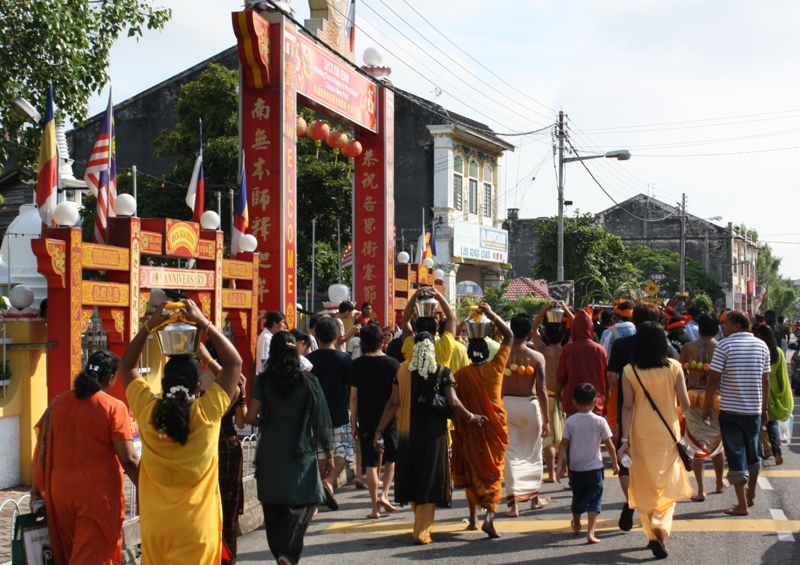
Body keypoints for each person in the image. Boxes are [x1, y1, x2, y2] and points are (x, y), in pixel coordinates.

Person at [121, 299, 242, 564]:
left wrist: (148, 327)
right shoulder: (206, 413)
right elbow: (235, 365)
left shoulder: (147, 411)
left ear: (162, 384)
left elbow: (127, 367)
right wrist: (205, 324)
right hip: (198, 528)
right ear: (198, 387)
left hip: (157, 529)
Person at [373, 332, 487, 545]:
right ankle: (421, 532)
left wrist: (379, 431)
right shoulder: (443, 372)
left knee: (414, 476)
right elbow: (453, 403)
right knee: (429, 478)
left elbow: (392, 403)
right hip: (434, 436)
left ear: (414, 349)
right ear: (433, 349)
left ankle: (421, 523)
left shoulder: (403, 372)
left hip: (408, 435)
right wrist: (471, 417)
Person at [30, 350, 139, 565]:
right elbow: (129, 459)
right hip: (97, 498)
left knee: (71, 554)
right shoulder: (114, 407)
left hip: (60, 493)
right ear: (110, 378)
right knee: (92, 558)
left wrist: (36, 491)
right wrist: (150, 486)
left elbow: (43, 449)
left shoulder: (59, 402)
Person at [245, 331, 334, 565]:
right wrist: (329, 455)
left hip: (270, 447)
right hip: (300, 448)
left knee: (272, 503)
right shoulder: (309, 381)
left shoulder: (264, 381)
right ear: (296, 352)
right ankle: (288, 553)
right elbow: (321, 420)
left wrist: (269, 422)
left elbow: (250, 417)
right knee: (308, 499)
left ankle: (280, 553)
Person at [618, 321, 693, 559]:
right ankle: (660, 525)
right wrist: (675, 413)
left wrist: (624, 439)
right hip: (667, 434)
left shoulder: (630, 370)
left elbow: (627, 406)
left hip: (639, 434)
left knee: (644, 484)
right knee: (666, 482)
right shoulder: (674, 366)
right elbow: (686, 403)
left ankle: (652, 534)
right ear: (663, 343)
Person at [450, 304, 512, 537]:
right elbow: (510, 336)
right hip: (494, 428)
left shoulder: (460, 375)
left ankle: (474, 519)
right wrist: (492, 313)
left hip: (469, 428)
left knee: (472, 468)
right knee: (493, 472)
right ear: (487, 353)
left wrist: (467, 320)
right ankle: (489, 517)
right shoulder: (496, 368)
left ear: (468, 353)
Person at [703, 310, 770, 516]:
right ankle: (751, 494)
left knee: (736, 456)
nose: (722, 327)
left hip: (731, 411)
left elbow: (713, 378)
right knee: (753, 453)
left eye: (726, 323)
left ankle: (741, 504)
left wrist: (706, 405)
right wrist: (764, 409)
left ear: (737, 326)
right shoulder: (762, 346)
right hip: (754, 411)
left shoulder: (725, 345)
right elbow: (765, 381)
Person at [201, 339, 249, 565]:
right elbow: (241, 422)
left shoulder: (198, 380)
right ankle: (226, 559)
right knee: (227, 508)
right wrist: (243, 394)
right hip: (227, 444)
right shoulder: (236, 385)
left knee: (205, 506)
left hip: (202, 445)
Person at [501, 311, 551, 517]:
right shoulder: (536, 357)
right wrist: (547, 420)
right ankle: (534, 499)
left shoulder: (501, 354)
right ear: (531, 332)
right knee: (532, 453)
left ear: (511, 329)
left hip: (507, 406)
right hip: (530, 407)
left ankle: (513, 506)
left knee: (511, 454)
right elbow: (542, 391)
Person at [349, 323, 400, 518]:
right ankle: (386, 494)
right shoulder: (393, 364)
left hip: (367, 417)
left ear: (363, 343)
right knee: (391, 458)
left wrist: (354, 423)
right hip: (389, 418)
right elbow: (397, 398)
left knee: (370, 461)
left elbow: (353, 397)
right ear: (382, 341)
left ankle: (374, 507)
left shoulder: (357, 365)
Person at [556, 383, 618, 544]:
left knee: (577, 496)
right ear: (595, 401)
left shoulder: (571, 421)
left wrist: (559, 465)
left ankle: (576, 522)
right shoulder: (599, 421)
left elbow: (563, 443)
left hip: (575, 467)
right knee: (595, 499)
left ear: (574, 402)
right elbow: (609, 444)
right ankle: (590, 532)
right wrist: (615, 463)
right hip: (595, 467)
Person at [306, 316, 354, 509]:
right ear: (337, 336)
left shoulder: (308, 360)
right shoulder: (344, 359)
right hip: (339, 412)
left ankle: (320, 487)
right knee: (345, 450)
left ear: (316, 336)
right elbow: (351, 388)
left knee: (319, 453)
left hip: (316, 416)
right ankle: (331, 480)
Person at [680, 314, 728, 501]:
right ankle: (718, 483)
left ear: (698, 330)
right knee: (717, 441)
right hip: (715, 399)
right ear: (717, 330)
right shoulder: (721, 348)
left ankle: (701, 490)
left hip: (693, 398)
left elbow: (679, 373)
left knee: (697, 443)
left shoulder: (687, 348)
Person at [530, 302, 572, 483]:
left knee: (548, 438)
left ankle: (552, 474)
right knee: (563, 435)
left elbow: (533, 328)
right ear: (563, 335)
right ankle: (563, 470)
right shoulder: (566, 350)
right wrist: (566, 309)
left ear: (546, 334)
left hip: (546, 398)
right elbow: (577, 326)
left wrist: (544, 309)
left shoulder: (542, 350)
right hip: (562, 398)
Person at [554, 308, 608, 418]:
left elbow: (561, 377)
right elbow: (606, 379)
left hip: (573, 402)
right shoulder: (600, 350)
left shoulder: (568, 350)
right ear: (591, 328)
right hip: (595, 403)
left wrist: (558, 394)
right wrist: (605, 399)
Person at [753, 324, 794, 466]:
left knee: (757, 424)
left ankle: (758, 453)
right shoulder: (778, 351)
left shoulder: (757, 350)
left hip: (759, 390)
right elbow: (783, 375)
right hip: (774, 392)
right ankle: (776, 451)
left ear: (759, 335)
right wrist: (782, 393)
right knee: (772, 424)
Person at [400, 286, 457, 368]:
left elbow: (405, 321)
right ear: (436, 330)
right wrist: (438, 295)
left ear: (416, 330)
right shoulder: (443, 347)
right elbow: (452, 318)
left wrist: (414, 296)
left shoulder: (411, 346)